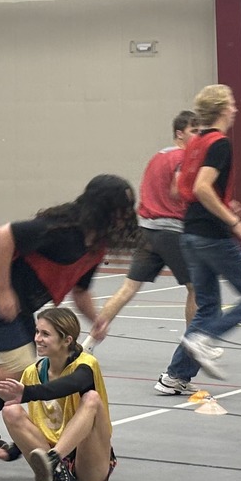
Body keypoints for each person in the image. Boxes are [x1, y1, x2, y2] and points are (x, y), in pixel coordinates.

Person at [0, 175, 140, 451]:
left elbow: (80, 291)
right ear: (103, 207)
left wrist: (97, 319)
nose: (124, 218)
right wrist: (4, 289)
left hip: (20, 302)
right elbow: (4, 235)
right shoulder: (63, 230)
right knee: (21, 372)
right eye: (120, 210)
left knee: (25, 371)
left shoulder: (94, 246)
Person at [159, 83, 241, 384]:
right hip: (211, 235)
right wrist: (235, 222)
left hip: (190, 232)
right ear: (221, 109)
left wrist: (220, 203)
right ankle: (208, 338)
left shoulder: (193, 144)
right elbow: (202, 187)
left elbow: (183, 189)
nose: (234, 108)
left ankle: (175, 376)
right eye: (231, 103)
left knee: (207, 306)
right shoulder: (220, 144)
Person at [83, 111, 197, 391]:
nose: (198, 135)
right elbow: (179, 191)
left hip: (147, 230)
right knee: (197, 290)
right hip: (172, 231)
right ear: (179, 132)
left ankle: (88, 344)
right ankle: (194, 346)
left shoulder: (157, 157)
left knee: (128, 288)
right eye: (194, 130)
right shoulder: (183, 159)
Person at [0, 308, 117, 481]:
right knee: (10, 410)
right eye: (37, 332)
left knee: (92, 399)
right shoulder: (31, 372)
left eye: (45, 334)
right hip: (55, 457)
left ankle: (53, 461)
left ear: (67, 340)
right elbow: (38, 422)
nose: (37, 338)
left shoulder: (85, 366)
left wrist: (27, 393)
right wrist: (11, 452)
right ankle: (59, 472)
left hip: (89, 458)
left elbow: (70, 385)